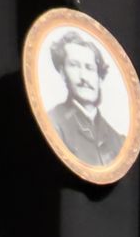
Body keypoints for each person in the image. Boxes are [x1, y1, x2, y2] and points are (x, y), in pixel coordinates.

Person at [47, 29, 123, 166]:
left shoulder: (119, 140)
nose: (83, 77)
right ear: (63, 73)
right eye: (74, 66)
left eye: (89, 68)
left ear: (100, 77)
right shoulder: (52, 124)